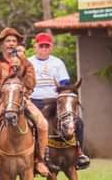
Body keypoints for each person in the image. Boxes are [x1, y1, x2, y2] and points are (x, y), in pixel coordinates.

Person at [0, 28, 50, 177]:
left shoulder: (25, 62)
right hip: (1, 101)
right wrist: (4, 85)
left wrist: (21, 69)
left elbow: (31, 83)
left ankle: (40, 160)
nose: (11, 44)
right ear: (1, 44)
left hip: (22, 100)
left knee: (43, 124)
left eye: (14, 41)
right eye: (8, 41)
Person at [29, 32, 89, 169]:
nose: (44, 49)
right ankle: (33, 156)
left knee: (78, 122)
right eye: (41, 46)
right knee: (29, 125)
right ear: (35, 47)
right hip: (34, 101)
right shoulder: (29, 62)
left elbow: (65, 85)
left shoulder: (57, 63)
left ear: (51, 47)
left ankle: (79, 153)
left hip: (54, 103)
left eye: (46, 46)